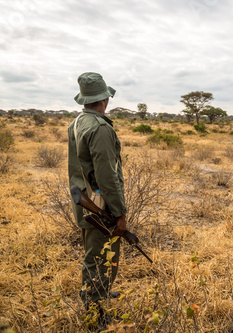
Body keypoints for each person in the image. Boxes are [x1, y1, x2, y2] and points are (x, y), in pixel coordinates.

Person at [67, 72, 127, 319]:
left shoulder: (78, 121)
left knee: (98, 251)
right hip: (100, 202)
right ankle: (94, 309)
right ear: (105, 99)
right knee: (98, 255)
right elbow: (106, 176)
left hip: (86, 199)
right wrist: (119, 212)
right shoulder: (100, 127)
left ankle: (99, 292)